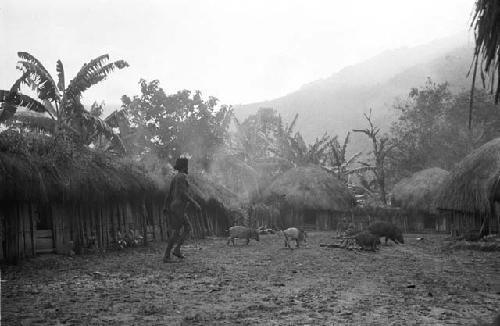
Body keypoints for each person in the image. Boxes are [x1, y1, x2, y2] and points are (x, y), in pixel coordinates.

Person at [163, 157, 201, 263]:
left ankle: (177, 249)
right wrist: (195, 203)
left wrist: (165, 207)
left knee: (187, 227)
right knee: (176, 232)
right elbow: (184, 194)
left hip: (175, 207)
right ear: (184, 167)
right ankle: (167, 255)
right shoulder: (182, 177)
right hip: (178, 207)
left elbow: (169, 194)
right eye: (187, 166)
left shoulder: (175, 178)